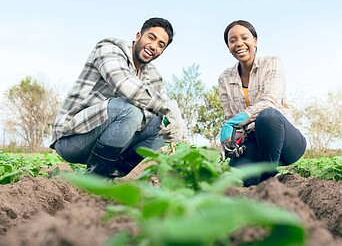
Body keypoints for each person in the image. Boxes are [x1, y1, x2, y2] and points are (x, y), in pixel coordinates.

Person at [50, 17, 186, 178]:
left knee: (160, 124)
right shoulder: (109, 48)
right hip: (72, 139)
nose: (153, 46)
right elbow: (123, 85)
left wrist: (177, 124)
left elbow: (167, 107)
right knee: (130, 110)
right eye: (151, 37)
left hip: (109, 144)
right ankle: (95, 178)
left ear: (162, 52)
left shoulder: (153, 76)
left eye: (160, 45)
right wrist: (167, 108)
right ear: (138, 36)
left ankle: (112, 174)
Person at [218, 20, 307, 187]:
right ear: (228, 47)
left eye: (245, 37)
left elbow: (270, 102)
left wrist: (238, 119)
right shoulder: (225, 78)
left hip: (283, 139)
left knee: (267, 116)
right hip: (252, 142)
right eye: (232, 40)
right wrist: (230, 141)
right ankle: (256, 183)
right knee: (242, 180)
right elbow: (230, 118)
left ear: (255, 41)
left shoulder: (272, 63)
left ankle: (269, 179)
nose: (239, 43)